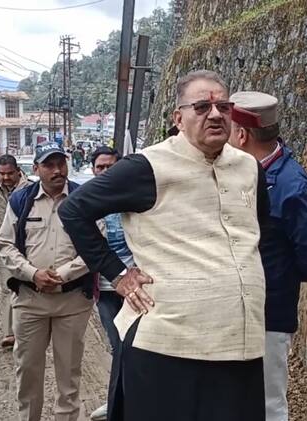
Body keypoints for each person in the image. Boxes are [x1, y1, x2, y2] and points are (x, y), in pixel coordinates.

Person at [59, 70, 270, 421]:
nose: (215, 115)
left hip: (239, 342)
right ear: (178, 118)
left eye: (223, 107)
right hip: (168, 345)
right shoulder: (148, 167)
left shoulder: (248, 167)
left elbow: (259, 231)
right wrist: (118, 274)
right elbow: (73, 210)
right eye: (201, 107)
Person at [229, 91, 307, 421]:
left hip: (268, 316)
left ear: (241, 135)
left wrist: (276, 277)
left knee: (267, 404)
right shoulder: (239, 173)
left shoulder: (291, 186)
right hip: (231, 310)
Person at [0, 141, 95, 421]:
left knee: (69, 373)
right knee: (27, 371)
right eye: (49, 165)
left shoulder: (84, 199)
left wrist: (62, 275)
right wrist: (32, 273)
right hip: (30, 301)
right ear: (36, 169)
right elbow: (5, 245)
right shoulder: (21, 201)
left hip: (72, 302)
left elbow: (95, 247)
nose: (57, 170)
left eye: (61, 163)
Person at [88, 146, 133, 421]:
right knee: (117, 345)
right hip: (104, 288)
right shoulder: (86, 200)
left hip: (135, 287)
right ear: (93, 170)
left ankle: (127, 401)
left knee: (135, 344)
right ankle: (117, 400)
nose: (105, 171)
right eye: (100, 167)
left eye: (111, 166)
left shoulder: (134, 197)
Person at [0, 154, 31, 347]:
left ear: (18, 171)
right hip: (3, 247)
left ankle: (28, 328)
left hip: (27, 247)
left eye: (9, 173)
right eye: (1, 174)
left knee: (27, 288)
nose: (5, 177)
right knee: (7, 288)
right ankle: (10, 332)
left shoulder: (30, 189)